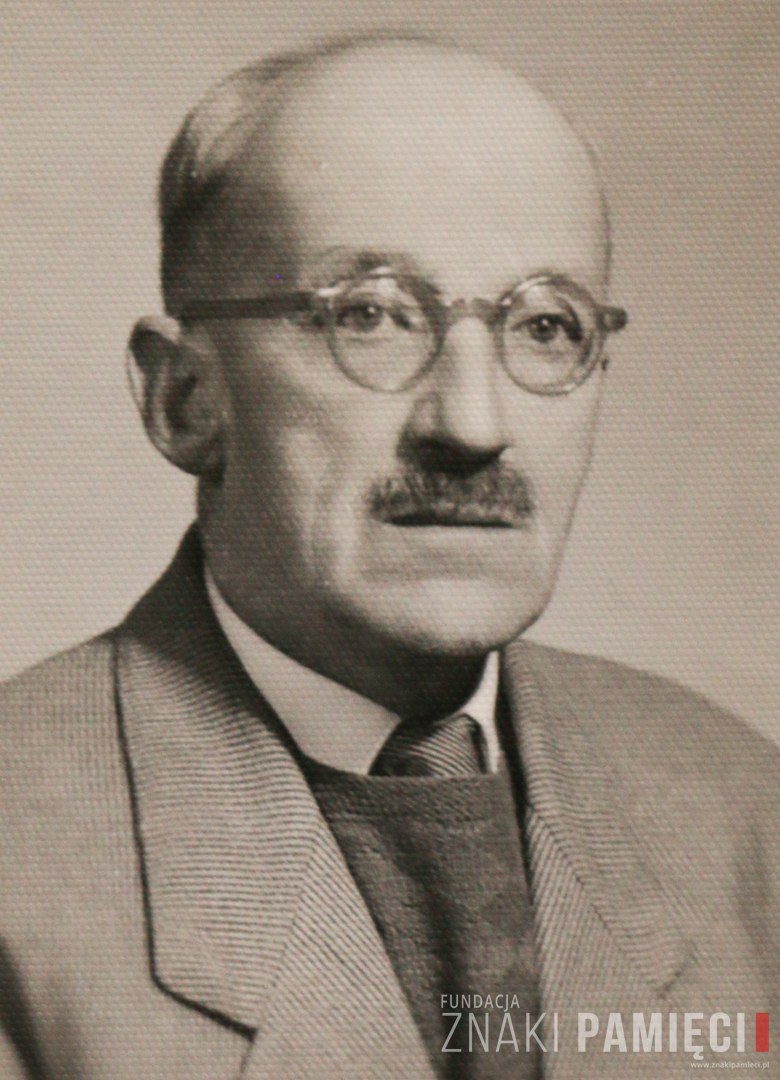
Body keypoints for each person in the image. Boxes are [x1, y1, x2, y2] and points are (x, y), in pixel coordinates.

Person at [0, 31, 777, 1080]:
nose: (473, 423)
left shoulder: (740, 803)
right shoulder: (19, 856)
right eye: (371, 316)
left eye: (547, 327)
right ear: (186, 399)